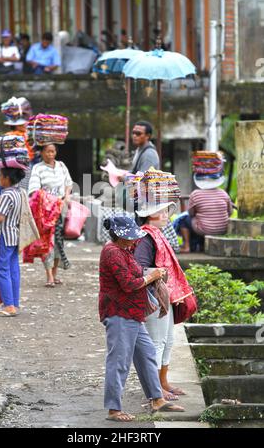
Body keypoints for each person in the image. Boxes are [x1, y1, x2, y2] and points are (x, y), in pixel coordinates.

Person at [99, 215, 185, 422]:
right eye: (129, 238)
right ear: (118, 236)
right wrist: (151, 276)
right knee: (119, 361)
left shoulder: (125, 251)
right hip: (119, 313)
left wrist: (152, 274)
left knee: (147, 355)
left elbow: (136, 275)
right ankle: (113, 409)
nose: (133, 241)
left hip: (133, 314)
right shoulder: (112, 252)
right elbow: (129, 284)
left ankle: (157, 398)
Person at [134, 200, 193, 401]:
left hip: (164, 294)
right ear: (150, 215)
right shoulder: (144, 238)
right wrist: (157, 277)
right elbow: (140, 268)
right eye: (163, 212)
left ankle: (163, 382)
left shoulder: (157, 234)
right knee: (156, 343)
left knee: (168, 340)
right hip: (153, 296)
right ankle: (155, 389)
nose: (167, 215)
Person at [28, 144, 73, 286]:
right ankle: (49, 276)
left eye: (53, 151)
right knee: (48, 242)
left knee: (59, 241)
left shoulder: (61, 166)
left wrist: (66, 196)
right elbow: (34, 190)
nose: (50, 154)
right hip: (45, 211)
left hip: (60, 208)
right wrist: (48, 200)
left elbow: (68, 183)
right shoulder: (37, 168)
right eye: (47, 152)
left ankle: (54, 274)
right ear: (41, 153)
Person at [174, 151, 233, 253]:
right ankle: (201, 245)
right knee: (200, 220)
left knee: (183, 220)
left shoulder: (195, 194)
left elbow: (191, 213)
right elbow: (230, 212)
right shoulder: (224, 194)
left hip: (203, 229)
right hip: (222, 229)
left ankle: (187, 246)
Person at [0, 168, 25, 316]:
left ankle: (8, 306)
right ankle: (14, 303)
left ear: (7, 178)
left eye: (0, 176)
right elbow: (9, 209)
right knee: (13, 269)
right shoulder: (18, 192)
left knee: (1, 269)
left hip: (4, 235)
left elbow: (1, 217)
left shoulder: (7, 194)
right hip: (15, 235)